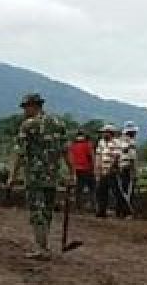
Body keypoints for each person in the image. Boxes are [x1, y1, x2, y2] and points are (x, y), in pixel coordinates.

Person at [7, 93, 72, 259]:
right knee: (47, 210)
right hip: (52, 175)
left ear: (33, 106)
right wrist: (72, 172)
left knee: (37, 211)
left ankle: (41, 247)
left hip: (35, 176)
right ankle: (44, 244)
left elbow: (19, 153)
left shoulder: (28, 125)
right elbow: (66, 151)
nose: (24, 111)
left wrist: (12, 176)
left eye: (25, 107)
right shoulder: (58, 123)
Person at [93, 124, 121, 218]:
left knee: (116, 191)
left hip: (112, 171)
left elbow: (116, 157)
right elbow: (98, 156)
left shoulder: (116, 142)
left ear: (110, 133)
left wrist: (110, 169)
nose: (103, 134)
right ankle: (101, 211)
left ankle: (120, 211)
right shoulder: (101, 143)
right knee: (101, 191)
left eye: (105, 132)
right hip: (103, 170)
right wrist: (97, 169)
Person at [67, 131, 96, 212]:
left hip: (77, 169)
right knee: (92, 188)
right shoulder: (87, 145)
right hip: (87, 169)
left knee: (79, 189)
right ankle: (93, 206)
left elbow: (71, 158)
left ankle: (79, 207)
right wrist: (94, 168)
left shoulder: (73, 145)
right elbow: (91, 157)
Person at [117, 123, 140, 217]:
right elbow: (132, 158)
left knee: (121, 190)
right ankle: (127, 212)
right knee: (128, 191)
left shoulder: (119, 141)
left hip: (120, 167)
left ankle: (119, 211)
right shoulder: (131, 143)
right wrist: (134, 171)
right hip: (127, 168)